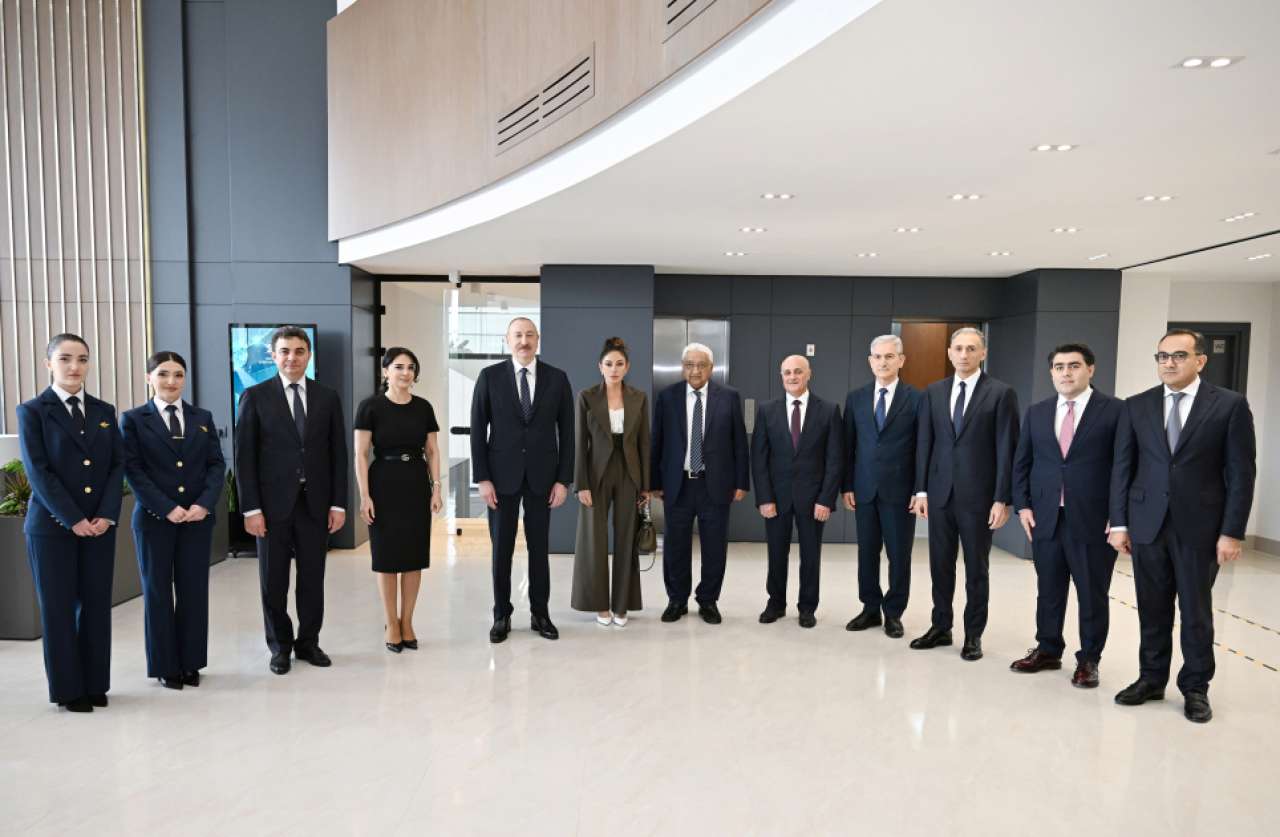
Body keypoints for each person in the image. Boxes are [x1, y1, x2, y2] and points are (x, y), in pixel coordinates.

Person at [1108, 329, 1256, 723]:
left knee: (1195, 612)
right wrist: (1119, 523)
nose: (1169, 363)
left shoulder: (1229, 405)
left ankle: (1195, 687)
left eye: (1178, 355)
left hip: (1201, 528)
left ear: (1200, 361)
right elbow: (1122, 468)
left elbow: (1241, 473)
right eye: (1162, 356)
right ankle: (1151, 679)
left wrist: (1231, 532)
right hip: (1147, 525)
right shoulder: (1137, 405)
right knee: (1152, 609)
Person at [17, 334, 124, 712]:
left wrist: (106, 514)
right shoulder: (33, 411)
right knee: (59, 610)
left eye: (82, 359)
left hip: (99, 526)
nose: (74, 366)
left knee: (96, 606)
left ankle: (95, 684)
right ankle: (68, 690)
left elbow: (116, 466)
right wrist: (74, 518)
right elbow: (39, 472)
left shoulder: (104, 410)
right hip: (52, 527)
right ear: (49, 364)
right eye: (65, 359)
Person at [235, 326, 349, 675]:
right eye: (284, 351)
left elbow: (338, 454)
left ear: (308, 355)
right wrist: (251, 509)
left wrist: (338, 504)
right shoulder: (255, 397)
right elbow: (244, 458)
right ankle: (280, 647)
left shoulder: (327, 397)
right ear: (273, 356)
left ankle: (308, 642)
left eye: (299, 351)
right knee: (274, 581)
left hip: (315, 505)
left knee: (312, 579)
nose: (292, 358)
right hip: (271, 508)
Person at [1010, 343, 1121, 688]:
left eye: (1074, 365)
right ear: (1052, 373)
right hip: (1046, 517)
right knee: (1049, 590)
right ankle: (1048, 649)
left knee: (1091, 593)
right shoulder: (1038, 412)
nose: (1066, 373)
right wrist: (1023, 505)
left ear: (1091, 369)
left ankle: (1089, 659)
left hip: (1094, 519)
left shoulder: (1115, 411)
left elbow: (1124, 467)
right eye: (1059, 367)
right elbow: (1022, 462)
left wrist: (1119, 516)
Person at [909, 327, 1019, 661]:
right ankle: (941, 627)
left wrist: (1002, 498)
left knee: (976, 569)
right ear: (949, 352)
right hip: (940, 495)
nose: (964, 354)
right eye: (958, 348)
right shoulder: (933, 392)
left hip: (980, 498)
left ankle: (973, 635)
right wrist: (921, 490)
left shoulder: (1001, 393)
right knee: (940, 566)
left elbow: (1007, 448)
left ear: (983, 353)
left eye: (971, 348)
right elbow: (925, 443)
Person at [122, 351, 226, 690]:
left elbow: (216, 464)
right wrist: (166, 507)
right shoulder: (133, 419)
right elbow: (133, 470)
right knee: (157, 593)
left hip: (197, 519)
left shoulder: (201, 417)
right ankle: (165, 665)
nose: (171, 381)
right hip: (154, 520)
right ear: (149, 378)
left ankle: (191, 662)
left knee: (194, 591)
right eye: (163, 374)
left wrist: (204, 504)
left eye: (178, 374)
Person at [470, 317, 574, 643]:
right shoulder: (489, 377)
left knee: (539, 549)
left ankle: (540, 613)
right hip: (500, 478)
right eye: (517, 335)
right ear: (507, 340)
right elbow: (477, 429)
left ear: (538, 339)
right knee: (501, 550)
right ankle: (501, 614)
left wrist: (563, 480)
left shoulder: (557, 378)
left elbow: (568, 433)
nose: (524, 341)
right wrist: (482, 478)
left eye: (529, 335)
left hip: (544, 478)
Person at [651, 342, 749, 624]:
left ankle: (708, 600)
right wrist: (654, 481)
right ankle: (677, 600)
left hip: (715, 484)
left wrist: (741, 482)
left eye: (701, 365)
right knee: (675, 547)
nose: (695, 370)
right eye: (690, 365)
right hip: (677, 485)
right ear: (683, 367)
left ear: (711, 368)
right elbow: (657, 441)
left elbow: (739, 443)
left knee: (715, 547)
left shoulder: (729, 397)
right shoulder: (667, 397)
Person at [354, 348, 443, 653]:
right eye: (399, 367)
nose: (406, 373)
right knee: (387, 557)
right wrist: (364, 495)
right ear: (386, 371)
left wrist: (436, 488)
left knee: (414, 556)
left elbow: (432, 451)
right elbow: (361, 454)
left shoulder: (423, 407)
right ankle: (391, 622)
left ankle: (408, 621)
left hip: (416, 483)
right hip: (383, 484)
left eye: (411, 367)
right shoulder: (370, 407)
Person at [751, 355, 842, 628]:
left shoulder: (828, 410)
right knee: (776, 554)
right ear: (781, 376)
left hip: (814, 500)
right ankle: (776, 604)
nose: (792, 377)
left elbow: (835, 460)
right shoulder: (767, 410)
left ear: (809, 374)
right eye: (787, 372)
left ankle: (807, 607)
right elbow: (759, 459)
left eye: (798, 372)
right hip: (776, 499)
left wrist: (826, 499)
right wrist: (764, 498)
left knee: (811, 557)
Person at [842, 335, 921, 638]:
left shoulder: (917, 399)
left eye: (889, 356)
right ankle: (870, 608)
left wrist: (919, 489)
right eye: (878, 357)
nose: (883, 362)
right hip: (864, 489)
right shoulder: (856, 398)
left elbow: (922, 448)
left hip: (901, 493)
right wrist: (847, 485)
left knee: (899, 555)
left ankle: (894, 612)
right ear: (870, 361)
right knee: (867, 552)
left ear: (901, 360)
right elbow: (848, 446)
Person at [571, 337, 650, 627]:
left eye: (619, 364)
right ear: (600, 367)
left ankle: (621, 604)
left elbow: (644, 443)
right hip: (595, 473)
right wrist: (581, 484)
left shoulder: (639, 398)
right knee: (594, 540)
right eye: (609, 364)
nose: (614, 369)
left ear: (627, 367)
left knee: (627, 538)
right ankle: (600, 605)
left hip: (630, 472)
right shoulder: (586, 396)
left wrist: (646, 486)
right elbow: (580, 443)